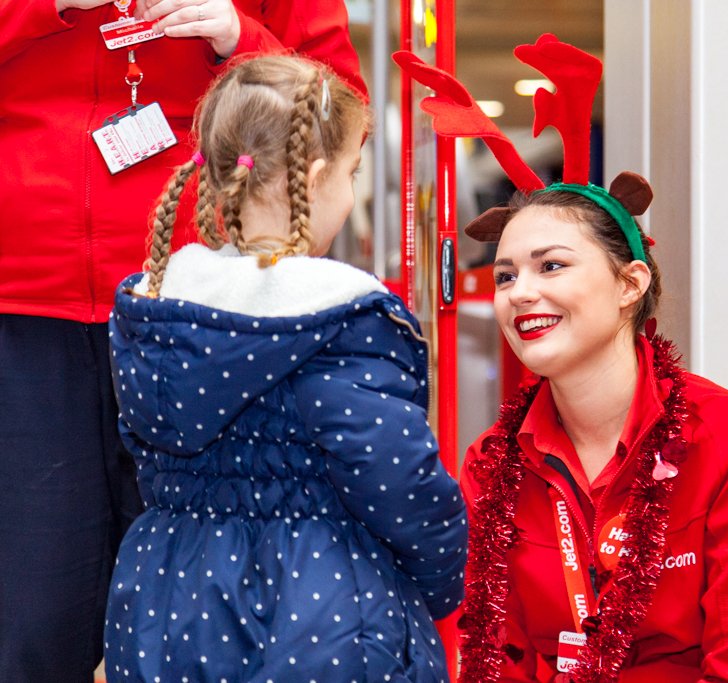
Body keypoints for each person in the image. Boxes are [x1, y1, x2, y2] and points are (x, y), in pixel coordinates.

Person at [393, 34, 728, 683]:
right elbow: (494, 655)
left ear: (629, 285)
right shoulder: (493, 464)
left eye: (551, 265)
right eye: (504, 277)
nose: (519, 292)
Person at [0, 2, 365, 681]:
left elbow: (339, 110)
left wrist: (236, 35)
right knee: (30, 618)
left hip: (208, 311)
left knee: (200, 616)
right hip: (20, 304)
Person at [102, 54, 467, 682]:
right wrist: (440, 579)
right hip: (316, 607)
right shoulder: (340, 321)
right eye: (353, 172)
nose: (351, 192)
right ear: (318, 175)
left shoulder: (157, 312)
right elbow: (395, 480)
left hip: (164, 592)